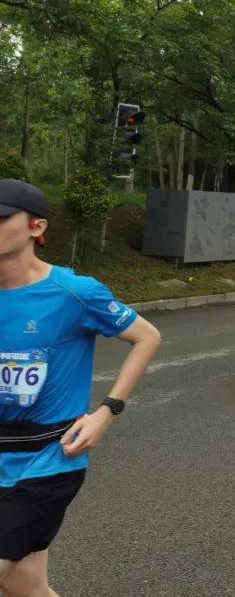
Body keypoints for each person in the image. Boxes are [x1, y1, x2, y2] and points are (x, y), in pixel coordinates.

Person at [0, 179, 161, 594]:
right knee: (27, 589)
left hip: (48, 461)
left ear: (36, 227)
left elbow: (147, 337)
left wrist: (107, 412)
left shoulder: (75, 292)